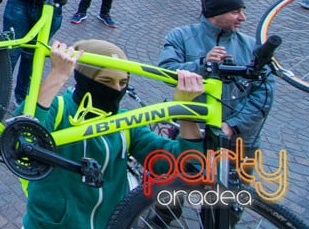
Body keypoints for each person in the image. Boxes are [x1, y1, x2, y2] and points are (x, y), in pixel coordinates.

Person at [21, 38, 204, 229]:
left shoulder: (126, 123)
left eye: (123, 82)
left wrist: (186, 110)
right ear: (85, 79)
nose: (116, 89)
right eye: (106, 81)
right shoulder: (58, 109)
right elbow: (21, 137)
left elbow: (185, 164)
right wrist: (57, 74)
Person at [158, 0, 274, 152]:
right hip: (192, 134)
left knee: (238, 179)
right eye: (235, 12)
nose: (243, 18)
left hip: (240, 142)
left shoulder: (251, 46)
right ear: (215, 14)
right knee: (186, 177)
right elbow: (167, 71)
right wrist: (203, 64)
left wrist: (233, 126)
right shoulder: (180, 36)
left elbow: (265, 93)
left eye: (242, 11)